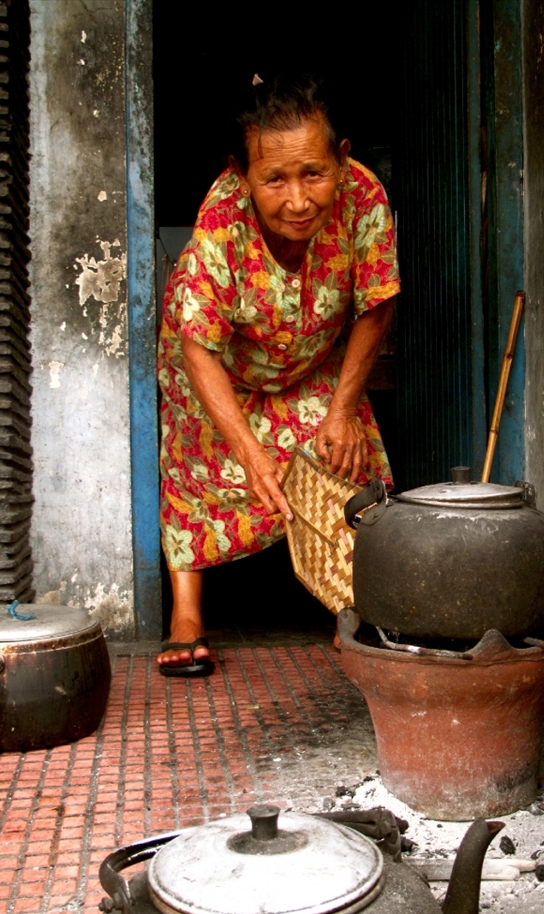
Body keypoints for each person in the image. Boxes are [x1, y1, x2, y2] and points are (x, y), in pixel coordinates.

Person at [156, 75, 400, 677]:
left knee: (347, 460)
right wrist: (250, 452)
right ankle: (186, 615)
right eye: (274, 180)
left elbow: (377, 302)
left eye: (314, 173)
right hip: (219, 359)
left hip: (312, 357)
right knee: (198, 462)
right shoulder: (222, 221)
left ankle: (353, 605)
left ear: (342, 158)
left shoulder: (364, 197)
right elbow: (198, 346)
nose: (298, 201)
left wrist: (342, 409)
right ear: (241, 175)